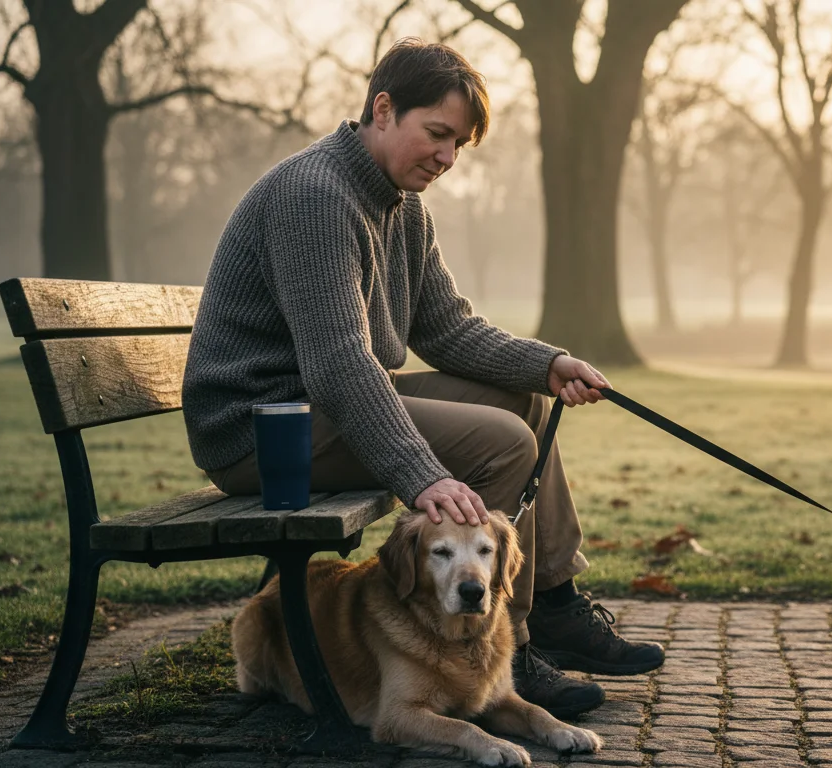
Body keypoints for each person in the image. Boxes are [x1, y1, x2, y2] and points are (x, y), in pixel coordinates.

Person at [181, 38, 663, 719]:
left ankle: (551, 602)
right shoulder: (315, 197)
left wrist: (548, 364)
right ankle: (511, 647)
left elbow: (447, 329)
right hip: (261, 431)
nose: (446, 157)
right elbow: (341, 362)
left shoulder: (402, 208)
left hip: (315, 404)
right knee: (501, 444)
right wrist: (422, 474)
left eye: (459, 144)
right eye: (437, 134)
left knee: (522, 403)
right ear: (383, 109)